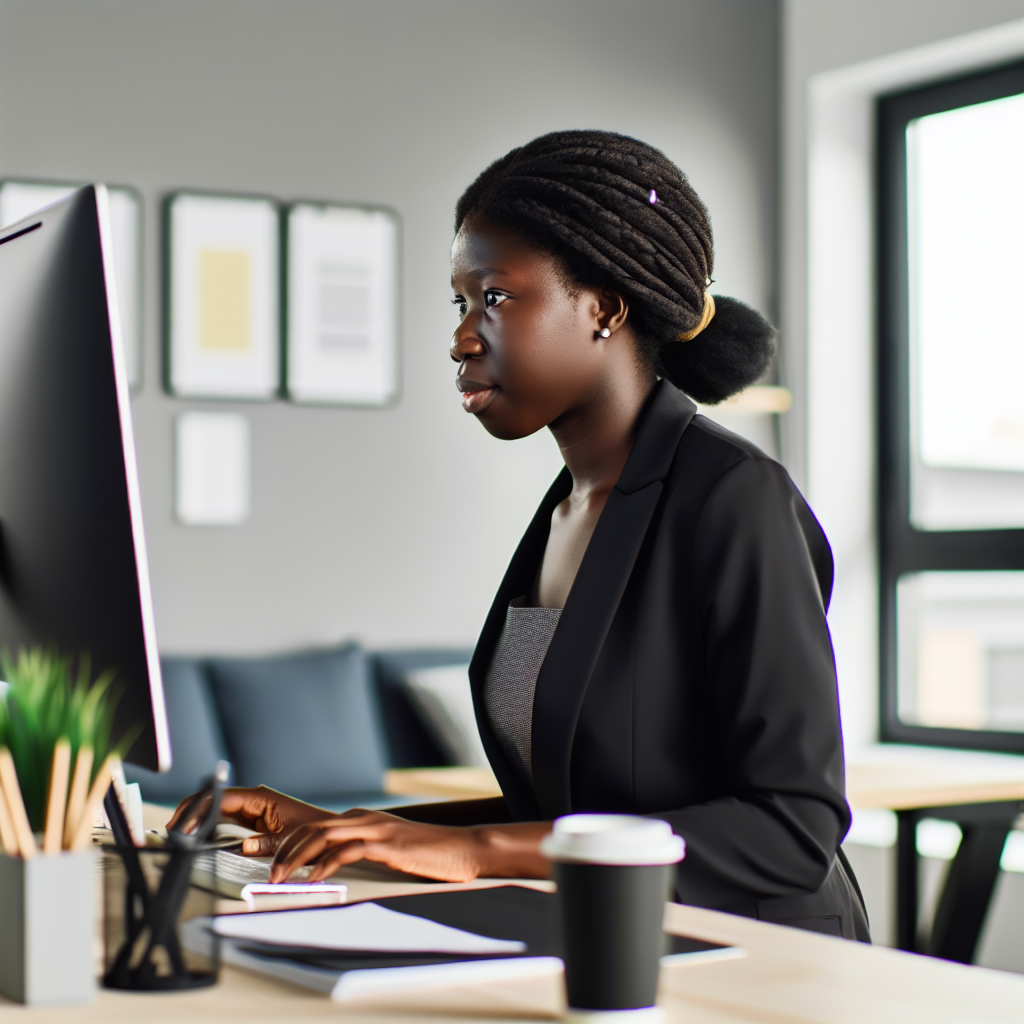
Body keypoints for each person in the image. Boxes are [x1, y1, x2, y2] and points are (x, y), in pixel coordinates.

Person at [170, 130, 869, 940]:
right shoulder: (568, 506)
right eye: (460, 303)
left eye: (494, 297)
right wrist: (347, 829)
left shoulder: (735, 498)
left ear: (603, 307)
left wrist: (472, 855)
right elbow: (578, 811)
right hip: (617, 952)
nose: (463, 335)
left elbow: (791, 829)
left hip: (765, 966)